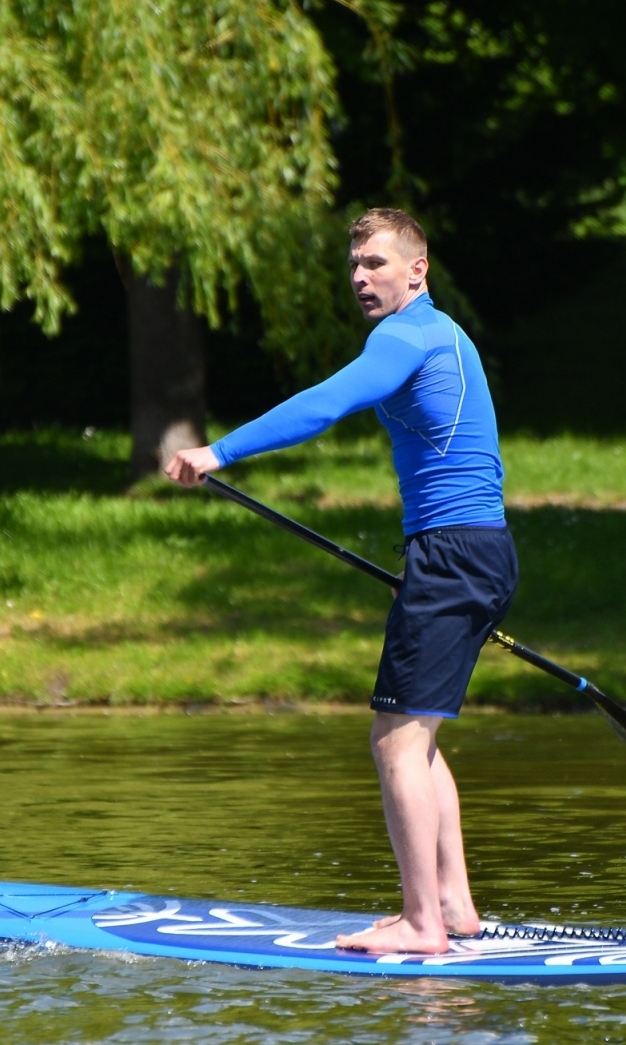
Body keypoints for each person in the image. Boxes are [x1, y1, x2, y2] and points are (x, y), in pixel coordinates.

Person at [164, 208, 516, 955]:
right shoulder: (446, 334)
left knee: (395, 742)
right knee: (419, 734)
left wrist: (219, 452)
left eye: (376, 263)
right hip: (473, 550)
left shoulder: (406, 336)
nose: (360, 276)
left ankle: (421, 925)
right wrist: (429, 561)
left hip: (455, 553)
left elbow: (325, 403)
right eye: (354, 264)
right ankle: (452, 906)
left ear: (417, 271)